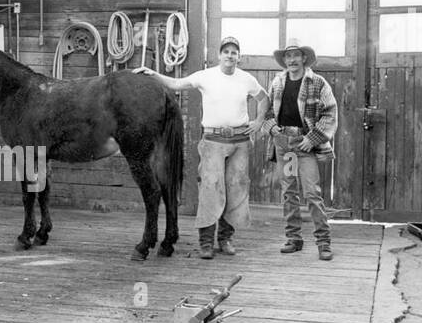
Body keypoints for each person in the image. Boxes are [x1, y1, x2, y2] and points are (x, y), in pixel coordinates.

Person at [134, 36, 268, 259]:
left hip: (239, 142)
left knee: (235, 189)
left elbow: (264, 98)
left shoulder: (246, 79)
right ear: (219, 55)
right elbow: (177, 83)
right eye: (226, 51)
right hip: (213, 141)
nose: (230, 55)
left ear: (239, 57)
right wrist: (152, 73)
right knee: (210, 190)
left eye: (234, 52)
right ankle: (206, 242)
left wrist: (259, 121)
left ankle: (225, 239)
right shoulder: (206, 76)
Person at [258, 41, 339, 261]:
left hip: (305, 144)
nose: (292, 60)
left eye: (296, 55)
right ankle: (294, 238)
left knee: (312, 193)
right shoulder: (277, 82)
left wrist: (312, 139)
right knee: (289, 192)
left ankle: (323, 242)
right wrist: (272, 127)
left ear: (304, 58)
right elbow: (266, 111)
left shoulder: (317, 83)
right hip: (284, 143)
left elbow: (330, 114)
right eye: (288, 56)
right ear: (284, 60)